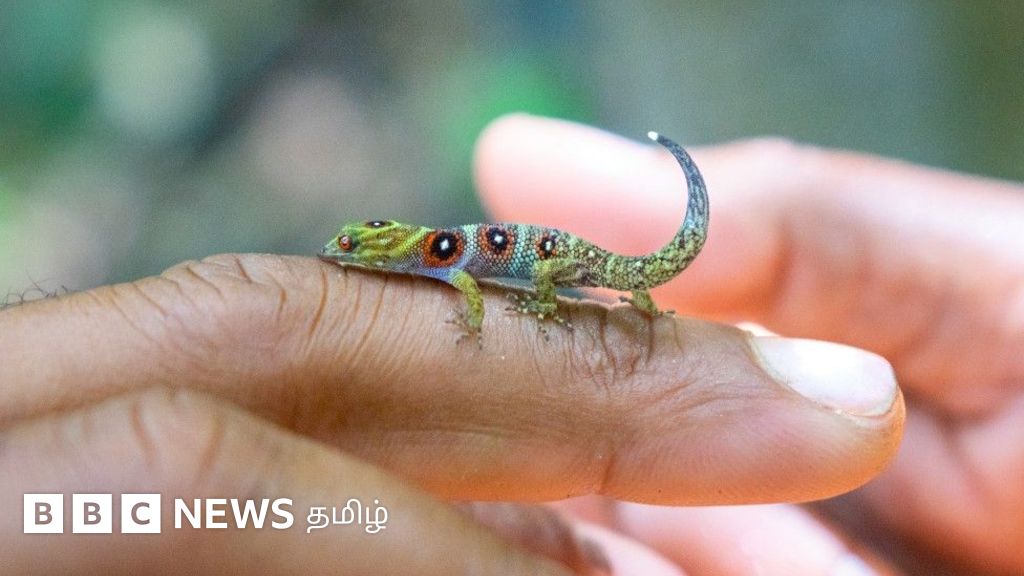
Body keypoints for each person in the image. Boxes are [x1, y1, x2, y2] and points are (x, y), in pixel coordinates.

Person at [0, 114, 1017, 575]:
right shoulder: (425, 255)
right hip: (561, 273)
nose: (344, 256)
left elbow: (471, 288)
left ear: (381, 244)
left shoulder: (436, 260)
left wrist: (503, 313)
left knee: (606, 287)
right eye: (348, 248)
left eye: (355, 246)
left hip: (564, 266)